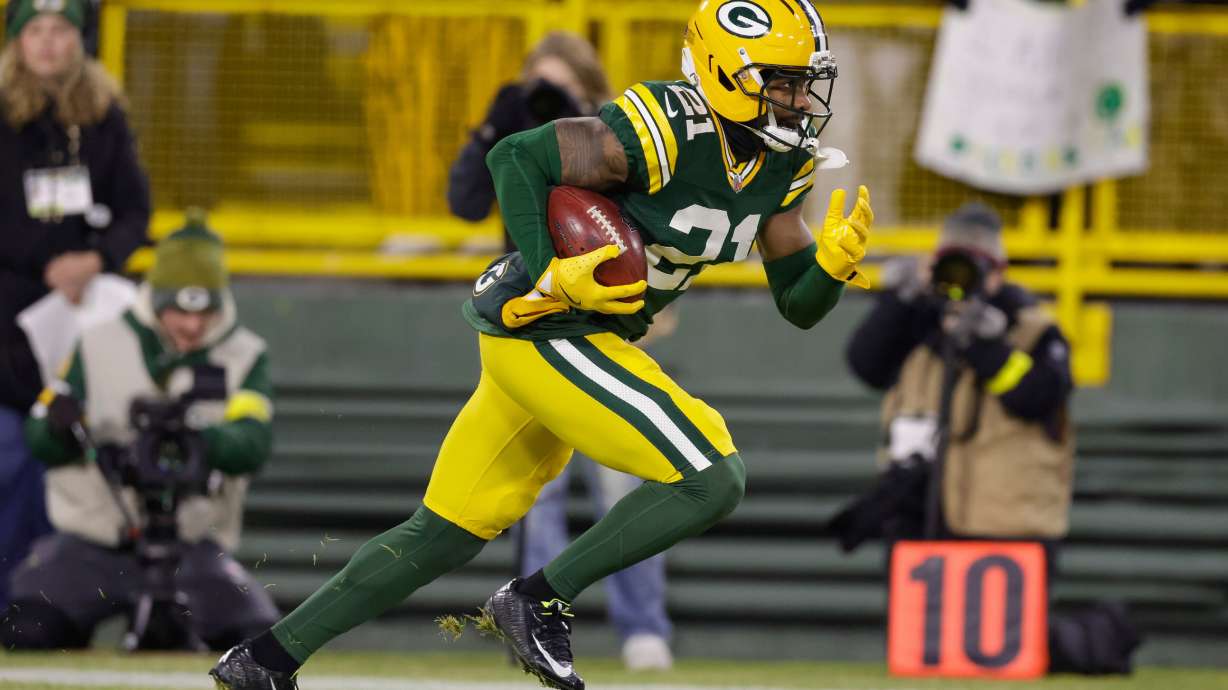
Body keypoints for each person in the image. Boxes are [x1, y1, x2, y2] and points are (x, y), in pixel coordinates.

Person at [212, 2, 874, 688]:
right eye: (783, 81)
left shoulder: (783, 161)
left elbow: (798, 304)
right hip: (548, 324)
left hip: (566, 341)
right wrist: (552, 270)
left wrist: (830, 268)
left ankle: (265, 659)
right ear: (723, 72)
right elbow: (513, 157)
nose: (799, 99)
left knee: (441, 533)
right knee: (712, 472)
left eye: (806, 82)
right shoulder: (664, 130)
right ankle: (537, 599)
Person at [833, 202, 1140, 674]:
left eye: (975, 268)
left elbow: (1037, 396)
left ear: (999, 273)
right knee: (929, 655)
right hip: (924, 515)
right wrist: (899, 302)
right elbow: (865, 365)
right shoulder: (920, 322)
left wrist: (984, 345)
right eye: (950, 265)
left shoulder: (1033, 327)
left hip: (1004, 524)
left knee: (1007, 649)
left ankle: (1100, 638)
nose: (962, 279)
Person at [448, 31, 673, 671]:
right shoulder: (517, 144)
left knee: (627, 484)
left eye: (561, 89)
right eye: (539, 86)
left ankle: (643, 626)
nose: (548, 101)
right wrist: (496, 124)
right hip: (534, 329)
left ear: (588, 88)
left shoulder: (618, 138)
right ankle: (532, 624)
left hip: (605, 329)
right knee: (535, 496)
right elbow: (464, 204)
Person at [1, 218, 280, 651]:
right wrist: (66, 431)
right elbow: (41, 435)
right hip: (97, 544)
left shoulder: (245, 355)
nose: (191, 325)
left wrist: (199, 444)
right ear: (157, 301)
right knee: (27, 625)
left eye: (203, 312)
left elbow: (254, 444)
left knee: (255, 640)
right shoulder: (96, 344)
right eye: (180, 311)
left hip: (190, 547)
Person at [0, 0, 150, 612]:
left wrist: (95, 259)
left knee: (62, 469)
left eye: (61, 29)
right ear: (16, 41)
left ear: (80, 40)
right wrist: (45, 263)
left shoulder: (104, 118)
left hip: (79, 323)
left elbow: (135, 212)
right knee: (12, 455)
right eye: (34, 30)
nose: (47, 43)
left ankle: (39, 606)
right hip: (9, 322)